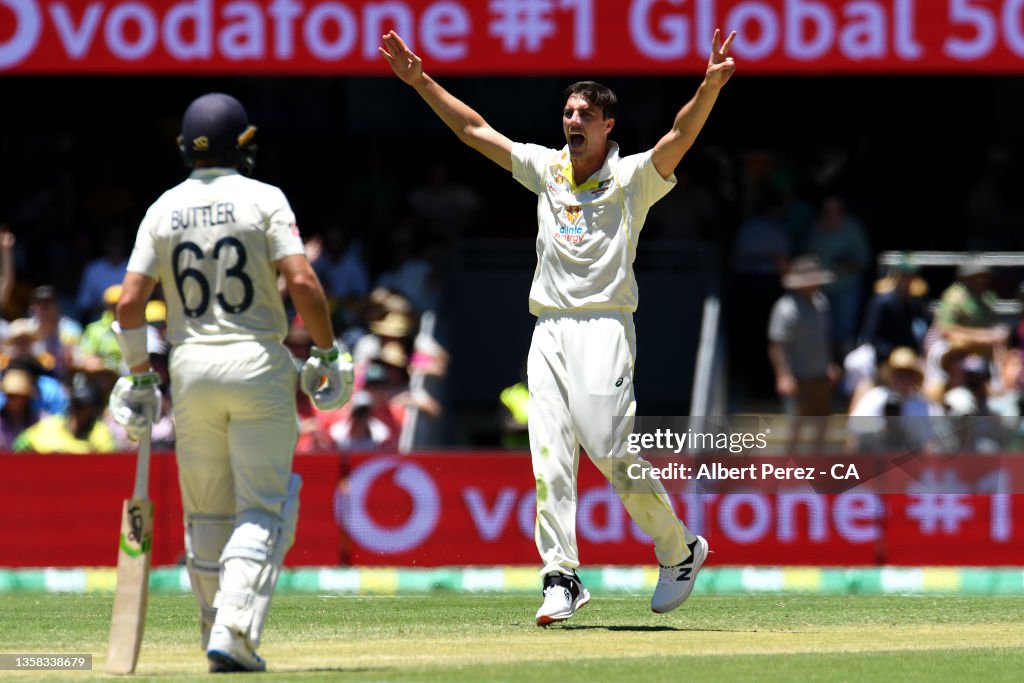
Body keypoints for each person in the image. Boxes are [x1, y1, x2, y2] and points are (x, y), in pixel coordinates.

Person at [380, 27, 736, 624]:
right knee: (548, 455)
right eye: (568, 111)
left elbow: (679, 135)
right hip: (547, 327)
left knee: (608, 448)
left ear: (607, 127)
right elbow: (474, 132)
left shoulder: (632, 180)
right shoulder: (545, 169)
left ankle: (679, 550)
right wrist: (420, 81)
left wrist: (708, 87)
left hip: (604, 327)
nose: (573, 121)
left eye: (585, 114)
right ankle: (561, 576)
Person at [106, 93, 353, 672]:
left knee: (209, 515)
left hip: (191, 368)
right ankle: (235, 630)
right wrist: (328, 350)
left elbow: (131, 304)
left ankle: (213, 628)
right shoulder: (263, 198)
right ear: (242, 145)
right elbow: (303, 281)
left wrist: (140, 376)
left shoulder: (163, 208)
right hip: (255, 362)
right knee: (264, 508)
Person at [768, 256, 841, 453]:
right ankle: (787, 472)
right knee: (796, 427)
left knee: (823, 424)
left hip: (820, 375)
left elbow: (824, 337)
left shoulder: (821, 303)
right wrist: (783, 375)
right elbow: (777, 345)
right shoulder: (785, 308)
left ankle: (815, 468)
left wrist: (830, 363)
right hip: (798, 377)